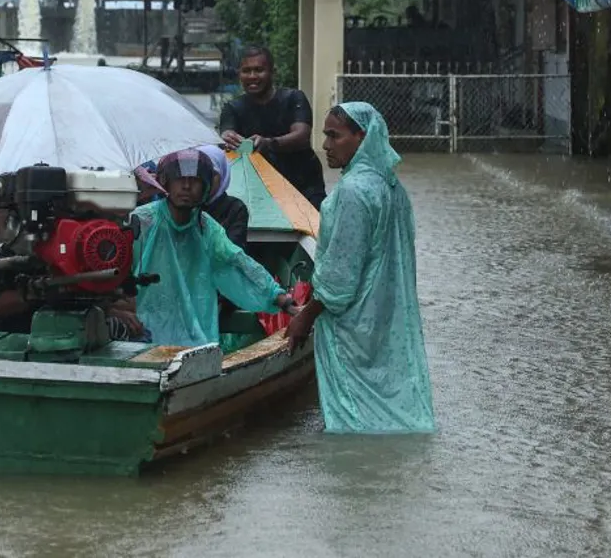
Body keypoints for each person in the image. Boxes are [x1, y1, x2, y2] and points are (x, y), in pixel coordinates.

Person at [286, 102, 435, 434]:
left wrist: (305, 317)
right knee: (391, 405)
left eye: (334, 136)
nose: (325, 145)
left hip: (352, 325)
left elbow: (339, 278)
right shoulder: (392, 188)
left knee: (352, 418)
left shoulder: (353, 191)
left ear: (361, 137)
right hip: (386, 318)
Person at [122, 147, 295, 347]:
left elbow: (239, 262)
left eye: (194, 180)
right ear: (166, 182)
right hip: (144, 335)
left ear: (206, 187)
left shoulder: (207, 229)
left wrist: (281, 299)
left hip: (196, 340)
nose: (186, 186)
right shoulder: (143, 221)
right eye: (180, 179)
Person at [219, 45, 328, 206]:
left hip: (303, 185)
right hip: (259, 191)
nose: (252, 76)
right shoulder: (233, 108)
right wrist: (229, 138)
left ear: (272, 72)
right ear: (239, 74)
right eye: (246, 71)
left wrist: (269, 143)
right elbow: (226, 133)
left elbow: (302, 136)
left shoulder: (293, 98)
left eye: (259, 70)